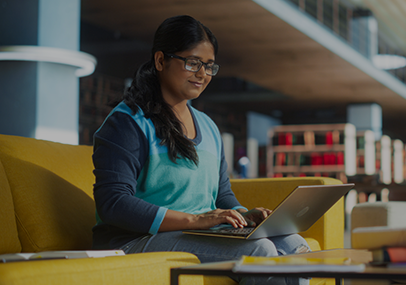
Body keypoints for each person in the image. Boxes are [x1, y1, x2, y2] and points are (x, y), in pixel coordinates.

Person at [92, 15, 310, 285]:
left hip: (199, 233)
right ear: (160, 61)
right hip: (134, 241)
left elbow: (222, 195)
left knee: (294, 243)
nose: (202, 74)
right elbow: (114, 204)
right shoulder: (127, 122)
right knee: (259, 251)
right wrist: (195, 221)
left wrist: (245, 215)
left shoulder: (207, 126)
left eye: (208, 66)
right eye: (192, 62)